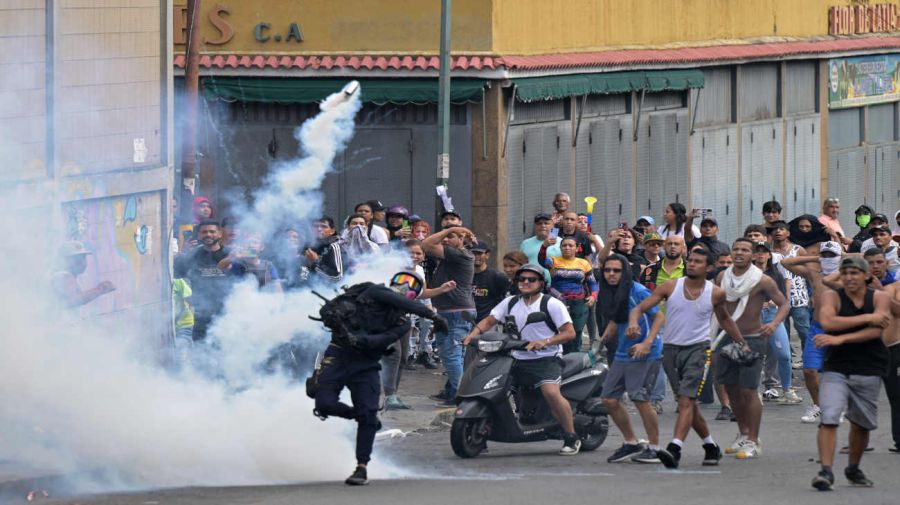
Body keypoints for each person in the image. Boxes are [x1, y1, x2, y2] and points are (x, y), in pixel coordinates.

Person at [311, 271, 449, 486]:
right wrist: (433, 315)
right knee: (324, 404)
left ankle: (361, 467)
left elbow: (384, 339)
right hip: (338, 355)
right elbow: (395, 299)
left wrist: (359, 341)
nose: (403, 287)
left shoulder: (402, 323)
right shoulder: (376, 291)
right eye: (400, 281)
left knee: (368, 411)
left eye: (411, 285)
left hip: (366, 363)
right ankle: (366, 418)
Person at [628, 248, 742, 468]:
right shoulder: (671, 286)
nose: (691, 264)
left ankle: (675, 448)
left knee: (686, 401)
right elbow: (639, 309)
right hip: (671, 351)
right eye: (690, 260)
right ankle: (710, 446)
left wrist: (741, 343)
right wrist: (634, 322)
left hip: (699, 350)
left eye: (698, 262)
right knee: (688, 402)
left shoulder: (715, 293)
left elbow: (725, 320)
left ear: (709, 268)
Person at [462, 264, 581, 455]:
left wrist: (545, 341)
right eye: (522, 279)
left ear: (541, 283)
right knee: (491, 388)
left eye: (531, 279)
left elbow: (569, 333)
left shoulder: (551, 304)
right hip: (515, 356)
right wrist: (472, 335)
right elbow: (489, 320)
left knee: (550, 392)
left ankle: (570, 436)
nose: (525, 282)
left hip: (546, 357)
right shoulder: (510, 302)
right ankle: (483, 432)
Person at [810, 256, 891, 491]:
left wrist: (841, 337)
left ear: (866, 276)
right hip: (837, 366)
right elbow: (827, 322)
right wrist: (867, 317)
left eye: (855, 273)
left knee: (861, 423)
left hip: (869, 366)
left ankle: (853, 468)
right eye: (845, 273)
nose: (849, 278)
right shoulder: (831, 296)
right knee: (829, 416)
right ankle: (825, 471)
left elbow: (877, 331)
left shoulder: (879, 297)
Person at [713, 239, 791, 460]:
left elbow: (784, 304)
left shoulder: (762, 280)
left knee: (749, 390)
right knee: (731, 388)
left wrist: (774, 324)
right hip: (725, 338)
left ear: (753, 255)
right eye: (736, 248)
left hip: (753, 339)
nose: (739, 253)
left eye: (745, 250)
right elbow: (716, 305)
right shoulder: (722, 277)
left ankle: (754, 441)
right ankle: (743, 432)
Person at [598, 254, 665, 464]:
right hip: (623, 352)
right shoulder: (610, 291)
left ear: (625, 272)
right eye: (607, 270)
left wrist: (647, 343)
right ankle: (631, 442)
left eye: (616, 271)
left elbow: (659, 317)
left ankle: (655, 448)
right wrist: (607, 333)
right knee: (609, 399)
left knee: (640, 399)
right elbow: (618, 315)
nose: (611, 274)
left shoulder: (638, 290)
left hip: (645, 352)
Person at [779, 242, 844, 424]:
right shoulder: (814, 274)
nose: (828, 259)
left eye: (832, 255)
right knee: (809, 370)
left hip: (840, 329)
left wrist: (843, 257)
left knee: (837, 372)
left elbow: (866, 258)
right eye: (825, 255)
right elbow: (787, 263)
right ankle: (818, 405)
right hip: (817, 326)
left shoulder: (848, 274)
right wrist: (816, 258)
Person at [422, 226, 477, 405]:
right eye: (445, 236)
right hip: (450, 311)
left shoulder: (459, 254)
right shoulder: (454, 255)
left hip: (456, 312)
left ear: (461, 240)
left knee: (451, 354)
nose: (445, 239)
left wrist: (453, 228)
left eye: (451, 237)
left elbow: (426, 244)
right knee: (452, 354)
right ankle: (453, 390)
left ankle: (460, 395)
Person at [753, 242, 802, 405]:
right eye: (757, 252)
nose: (760, 255)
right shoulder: (747, 273)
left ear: (769, 254)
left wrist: (776, 303)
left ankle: (787, 390)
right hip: (753, 317)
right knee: (755, 356)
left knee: (784, 355)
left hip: (772, 316)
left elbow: (782, 296)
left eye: (764, 252)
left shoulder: (775, 273)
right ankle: (754, 392)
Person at [539, 236, 599, 354]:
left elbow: (592, 283)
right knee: (559, 331)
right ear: (560, 248)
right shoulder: (553, 261)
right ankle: (559, 356)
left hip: (579, 303)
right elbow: (541, 260)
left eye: (571, 245)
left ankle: (575, 358)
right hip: (558, 302)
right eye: (564, 245)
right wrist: (544, 246)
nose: (567, 248)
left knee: (576, 332)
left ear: (577, 248)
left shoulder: (584, 263)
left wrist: (593, 296)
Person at [770, 220, 811, 375]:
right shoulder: (768, 251)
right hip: (778, 298)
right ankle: (786, 368)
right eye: (774, 229)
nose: (778, 232)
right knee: (783, 333)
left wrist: (812, 294)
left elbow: (809, 272)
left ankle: (809, 363)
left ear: (788, 232)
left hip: (799, 297)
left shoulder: (798, 250)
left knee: (804, 330)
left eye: (781, 229)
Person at [182, 221, 231, 343]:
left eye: (212, 231)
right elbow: (176, 273)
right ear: (199, 235)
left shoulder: (230, 254)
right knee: (200, 354)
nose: (208, 235)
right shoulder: (193, 255)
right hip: (201, 316)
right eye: (204, 232)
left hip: (227, 314)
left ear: (220, 234)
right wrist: (182, 253)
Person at [218, 231, 282, 292]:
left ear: (261, 247)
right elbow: (220, 267)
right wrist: (231, 257)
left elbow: (278, 290)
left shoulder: (268, 265)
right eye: (248, 243)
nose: (251, 245)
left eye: (255, 242)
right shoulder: (237, 264)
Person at [471, 241, 509, 324]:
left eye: (479, 254)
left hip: (488, 324)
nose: (476, 256)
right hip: (468, 322)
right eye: (473, 253)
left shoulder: (497, 276)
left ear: (487, 255)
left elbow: (505, 300)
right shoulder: (465, 276)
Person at [520, 213, 561, 283]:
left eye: (546, 223)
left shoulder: (562, 243)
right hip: (530, 283)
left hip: (555, 285)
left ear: (552, 225)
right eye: (539, 223)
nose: (543, 226)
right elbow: (520, 263)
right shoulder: (525, 243)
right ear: (535, 226)